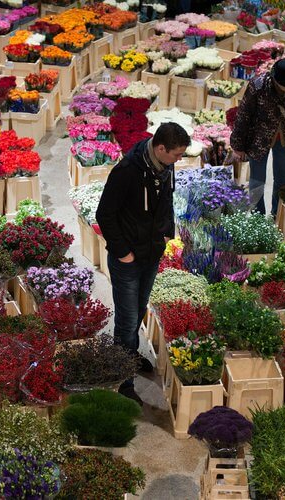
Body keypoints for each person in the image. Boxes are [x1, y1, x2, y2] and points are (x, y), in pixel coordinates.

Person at [95, 122, 191, 404]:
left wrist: (166, 236)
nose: (178, 160)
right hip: (128, 259)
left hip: (151, 252)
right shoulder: (127, 172)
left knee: (137, 312)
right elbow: (105, 214)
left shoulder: (164, 168)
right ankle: (123, 381)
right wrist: (122, 251)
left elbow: (166, 203)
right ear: (161, 149)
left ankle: (129, 355)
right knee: (126, 321)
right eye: (176, 154)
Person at [230, 58, 285, 216]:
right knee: (257, 181)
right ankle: (258, 217)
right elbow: (243, 116)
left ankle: (278, 214)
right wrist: (238, 146)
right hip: (258, 139)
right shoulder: (258, 85)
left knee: (282, 181)